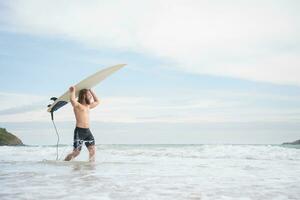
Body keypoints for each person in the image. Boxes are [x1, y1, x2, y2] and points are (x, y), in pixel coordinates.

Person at [64, 86, 100, 162]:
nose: (90, 96)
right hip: (79, 131)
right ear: (84, 96)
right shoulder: (77, 105)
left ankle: (91, 168)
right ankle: (64, 162)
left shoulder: (88, 106)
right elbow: (72, 100)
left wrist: (91, 90)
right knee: (76, 152)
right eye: (88, 94)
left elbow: (97, 101)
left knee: (92, 151)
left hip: (88, 132)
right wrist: (72, 91)